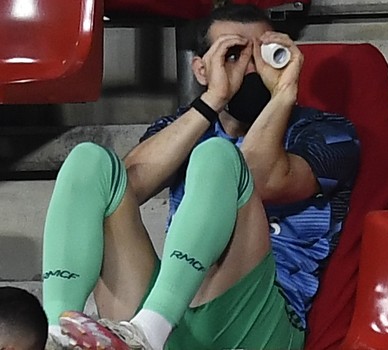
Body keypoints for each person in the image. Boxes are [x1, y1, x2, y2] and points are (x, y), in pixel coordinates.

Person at [42, 3, 360, 350]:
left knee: (218, 156)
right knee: (89, 161)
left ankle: (151, 328)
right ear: (201, 68)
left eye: (264, 55)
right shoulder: (188, 127)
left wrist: (283, 94)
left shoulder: (328, 133)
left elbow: (261, 176)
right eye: (233, 55)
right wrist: (212, 100)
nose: (251, 70)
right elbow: (124, 187)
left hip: (258, 325)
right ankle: (58, 332)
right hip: (175, 310)